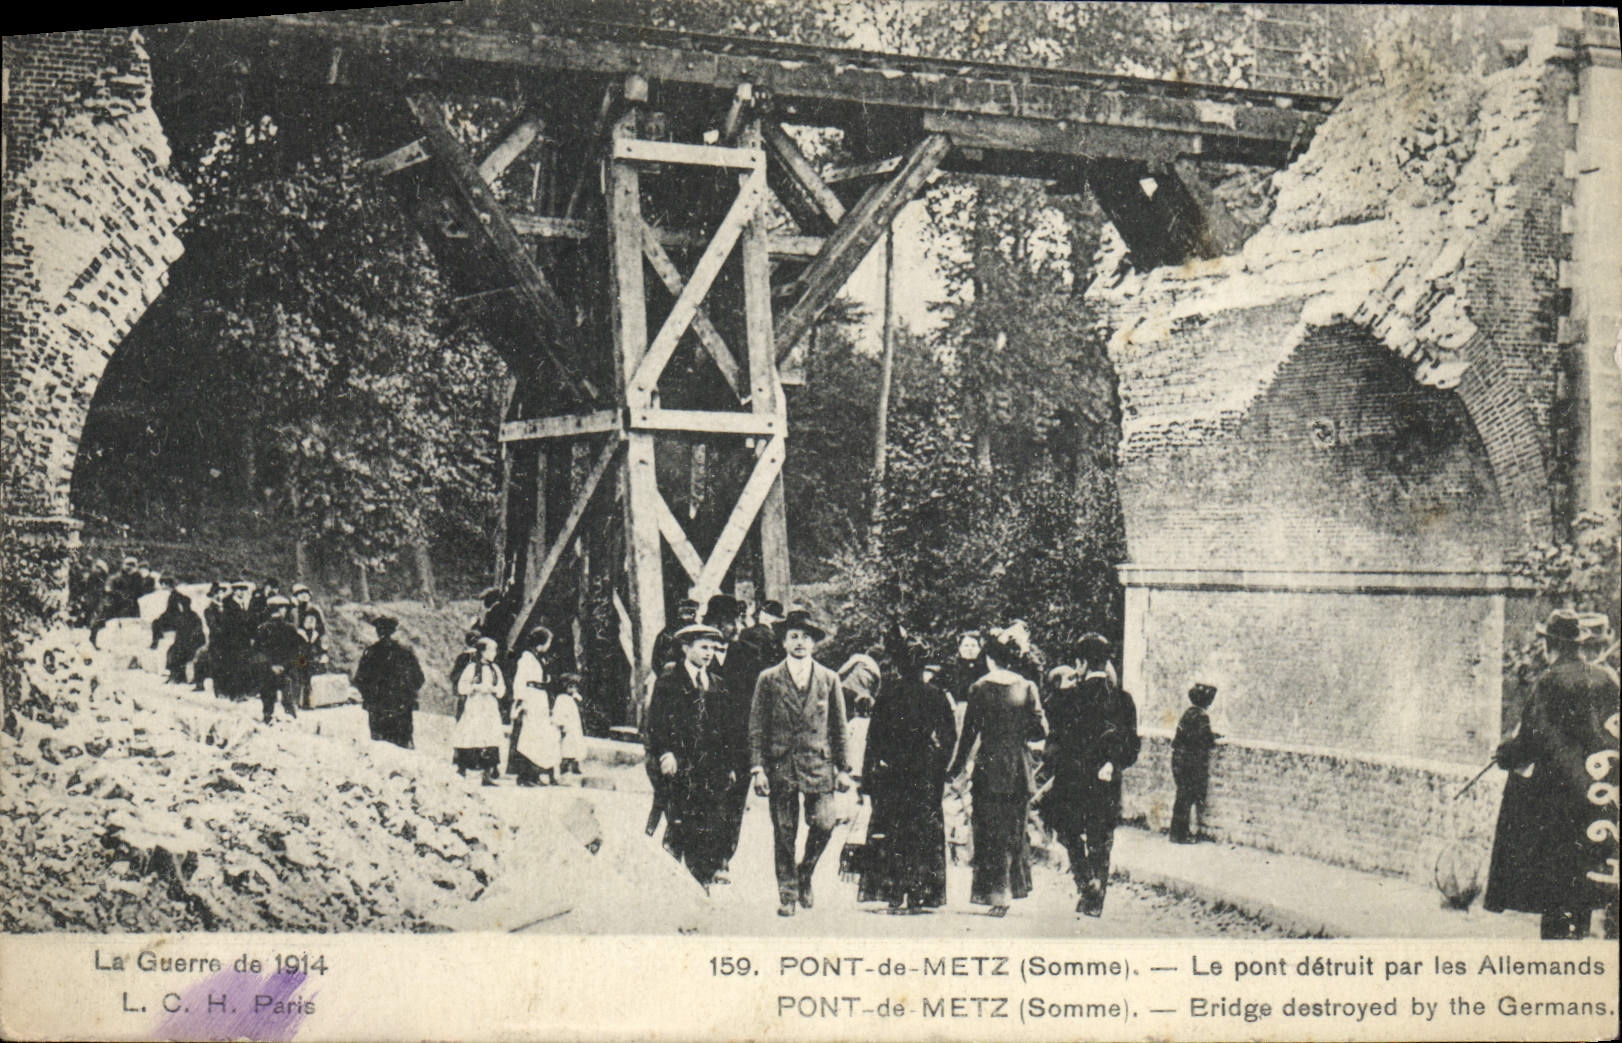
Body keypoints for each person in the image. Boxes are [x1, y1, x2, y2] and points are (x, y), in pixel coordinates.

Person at [1484, 609, 1620, 939]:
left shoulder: (1549, 682)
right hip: (1598, 800)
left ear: (1550, 645)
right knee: (1586, 884)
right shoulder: (1605, 679)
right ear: (1578, 644)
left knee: (1557, 892)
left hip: (1558, 806)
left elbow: (1532, 741)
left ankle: (1560, 953)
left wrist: (1504, 754)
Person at [749, 610, 853, 917]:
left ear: (814, 644)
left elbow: (839, 726)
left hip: (818, 763)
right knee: (784, 831)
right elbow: (756, 726)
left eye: (806, 637)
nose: (799, 643)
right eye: (793, 636)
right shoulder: (768, 679)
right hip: (782, 763)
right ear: (783, 641)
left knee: (824, 822)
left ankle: (805, 871)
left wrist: (844, 769)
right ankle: (788, 893)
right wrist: (758, 768)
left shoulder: (829, 678)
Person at [1038, 632, 1139, 917]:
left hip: (1072, 780)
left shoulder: (1067, 698)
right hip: (1106, 780)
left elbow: (1054, 743)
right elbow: (1131, 744)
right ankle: (1097, 897)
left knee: (1069, 833)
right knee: (1101, 837)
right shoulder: (1123, 699)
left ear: (1080, 663)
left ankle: (1084, 882)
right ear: (1107, 661)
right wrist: (1113, 762)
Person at [948, 630, 1048, 916]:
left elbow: (968, 735)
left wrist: (954, 769)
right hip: (1018, 765)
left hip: (988, 766)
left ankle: (995, 892)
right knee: (1014, 829)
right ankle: (1014, 888)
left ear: (990, 659)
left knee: (988, 829)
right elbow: (1040, 730)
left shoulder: (979, 688)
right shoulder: (1027, 687)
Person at [859, 625, 957, 913]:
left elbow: (873, 738)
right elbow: (950, 737)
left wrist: (869, 775)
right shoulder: (936, 695)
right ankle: (919, 893)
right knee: (922, 830)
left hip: (893, 771)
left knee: (893, 828)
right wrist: (940, 764)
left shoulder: (889, 694)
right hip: (924, 771)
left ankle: (893, 892)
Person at [647, 623, 731, 888]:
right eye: (703, 647)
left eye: (713, 649)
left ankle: (700, 881)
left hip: (709, 768)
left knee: (707, 825)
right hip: (679, 764)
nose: (709, 653)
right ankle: (669, 879)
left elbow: (723, 730)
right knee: (679, 822)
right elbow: (657, 721)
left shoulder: (716, 684)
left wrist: (727, 765)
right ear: (686, 648)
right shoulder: (670, 679)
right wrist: (665, 753)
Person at [703, 597, 754, 883]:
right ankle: (704, 859)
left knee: (734, 804)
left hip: (739, 743)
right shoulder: (699, 655)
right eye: (735, 621)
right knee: (709, 800)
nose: (739, 627)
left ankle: (723, 858)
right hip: (708, 741)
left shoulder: (748, 654)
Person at [351, 616, 424, 749]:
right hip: (402, 710)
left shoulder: (370, 653)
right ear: (393, 631)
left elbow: (360, 680)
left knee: (380, 748)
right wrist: (406, 695)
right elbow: (419, 679)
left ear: (378, 632)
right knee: (402, 748)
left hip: (377, 709)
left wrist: (370, 697)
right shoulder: (405, 652)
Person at [1170, 683, 1221, 844]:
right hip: (1189, 764)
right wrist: (1214, 737)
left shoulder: (1188, 713)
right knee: (1186, 799)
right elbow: (1207, 741)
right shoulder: (1202, 716)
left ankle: (1176, 833)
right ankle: (1181, 835)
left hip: (1179, 760)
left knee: (1181, 798)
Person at [509, 627, 560, 786]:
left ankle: (534, 773)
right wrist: (521, 701)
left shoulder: (539, 658)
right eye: (548, 642)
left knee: (539, 737)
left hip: (540, 698)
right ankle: (524, 776)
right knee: (528, 737)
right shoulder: (527, 658)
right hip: (531, 697)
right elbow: (520, 681)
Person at [452, 637, 507, 785]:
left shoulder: (496, 669)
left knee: (490, 737)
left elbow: (502, 688)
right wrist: (475, 687)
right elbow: (461, 687)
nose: (494, 653)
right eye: (491, 650)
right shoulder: (471, 668)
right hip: (475, 705)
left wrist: (494, 690)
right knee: (470, 734)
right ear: (483, 651)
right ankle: (462, 769)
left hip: (489, 706)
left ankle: (487, 773)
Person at [253, 596, 303, 724]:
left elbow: (258, 651)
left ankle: (268, 718)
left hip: (268, 669)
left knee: (268, 698)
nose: (283, 611)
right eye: (282, 609)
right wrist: (284, 666)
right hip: (285, 670)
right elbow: (296, 651)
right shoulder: (290, 628)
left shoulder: (262, 628)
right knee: (287, 697)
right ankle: (291, 719)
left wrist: (271, 665)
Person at [150, 576, 205, 685]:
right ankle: (175, 676)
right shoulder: (174, 597)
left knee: (176, 651)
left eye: (165, 584)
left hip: (187, 631)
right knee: (175, 649)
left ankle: (177, 677)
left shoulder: (178, 598)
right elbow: (170, 612)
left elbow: (173, 613)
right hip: (181, 626)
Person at [288, 584, 326, 710]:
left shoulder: (314, 610)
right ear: (295, 596)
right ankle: (295, 701)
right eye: (300, 594)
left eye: (306, 593)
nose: (304, 596)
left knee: (308, 674)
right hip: (297, 648)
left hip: (311, 648)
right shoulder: (293, 611)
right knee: (297, 673)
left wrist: (323, 650)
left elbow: (322, 629)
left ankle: (307, 701)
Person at [939, 629, 988, 704]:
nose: (969, 649)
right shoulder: (951, 668)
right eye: (966, 645)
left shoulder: (986, 669)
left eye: (973, 645)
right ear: (960, 648)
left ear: (980, 648)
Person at [554, 672, 587, 776]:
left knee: (576, 745)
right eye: (570, 687)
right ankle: (564, 765)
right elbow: (558, 713)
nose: (573, 690)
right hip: (567, 727)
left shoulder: (574, 698)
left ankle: (575, 765)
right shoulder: (561, 698)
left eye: (575, 687)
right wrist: (561, 724)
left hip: (575, 727)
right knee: (566, 747)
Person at [837, 644, 883, 718]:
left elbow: (842, 671)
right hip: (860, 697)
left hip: (847, 688)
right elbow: (875, 692)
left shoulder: (859, 657)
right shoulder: (877, 670)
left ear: (868, 652)